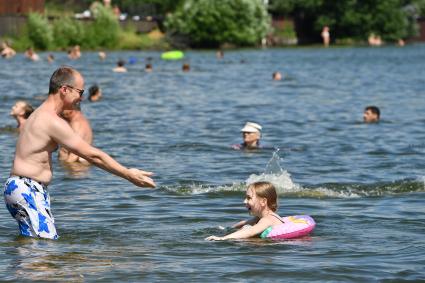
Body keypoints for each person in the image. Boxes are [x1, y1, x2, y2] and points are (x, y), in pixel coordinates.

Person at [3, 66, 155, 240]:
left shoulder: (39, 114)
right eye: (80, 92)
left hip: (23, 187)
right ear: (64, 90)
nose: (82, 98)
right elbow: (92, 155)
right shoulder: (51, 121)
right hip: (27, 188)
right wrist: (128, 174)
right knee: (43, 250)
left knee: (35, 250)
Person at [206, 182, 283, 240]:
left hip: (270, 245)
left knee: (247, 232)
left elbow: (251, 231)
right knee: (246, 226)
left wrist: (223, 238)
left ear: (263, 202)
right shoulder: (260, 218)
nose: (244, 201)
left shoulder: (267, 219)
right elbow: (244, 222)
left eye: (249, 198)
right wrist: (228, 229)